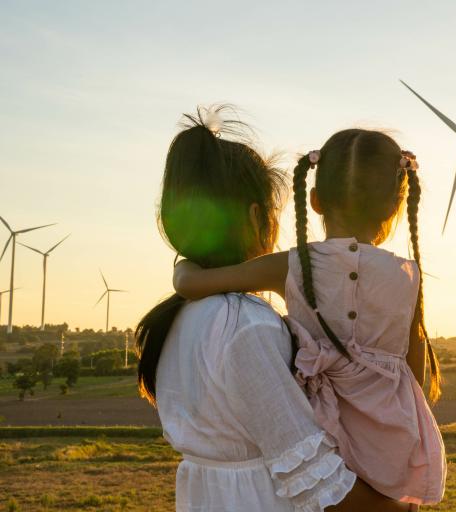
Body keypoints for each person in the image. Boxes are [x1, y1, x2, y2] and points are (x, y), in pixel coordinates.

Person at [136, 108, 413, 512]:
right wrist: (399, 508)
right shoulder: (246, 326)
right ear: (254, 217)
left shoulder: (176, 320)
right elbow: (311, 472)